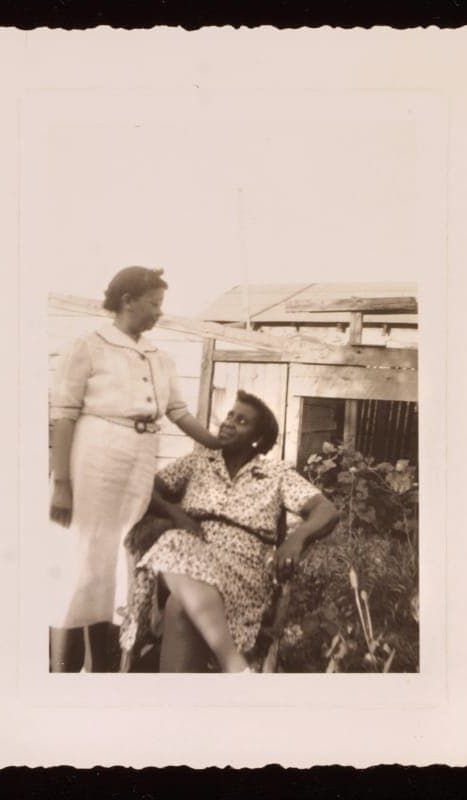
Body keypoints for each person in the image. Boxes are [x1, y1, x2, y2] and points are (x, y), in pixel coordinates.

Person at [48, 266, 221, 672]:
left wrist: (216, 441)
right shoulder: (89, 346)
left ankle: (103, 665)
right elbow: (65, 416)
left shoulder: (159, 358)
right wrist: (61, 484)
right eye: (155, 304)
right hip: (95, 457)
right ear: (128, 301)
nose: (160, 313)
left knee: (117, 554)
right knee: (83, 556)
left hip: (137, 463)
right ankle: (62, 672)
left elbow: (178, 412)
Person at [120, 391, 340, 673]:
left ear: (257, 439)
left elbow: (326, 509)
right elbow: (146, 488)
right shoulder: (198, 462)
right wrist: (177, 514)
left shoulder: (276, 474)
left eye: (242, 421)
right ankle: (235, 668)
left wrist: (297, 538)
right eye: (229, 416)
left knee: (179, 605)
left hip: (242, 573)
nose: (229, 423)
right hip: (189, 557)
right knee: (175, 540)